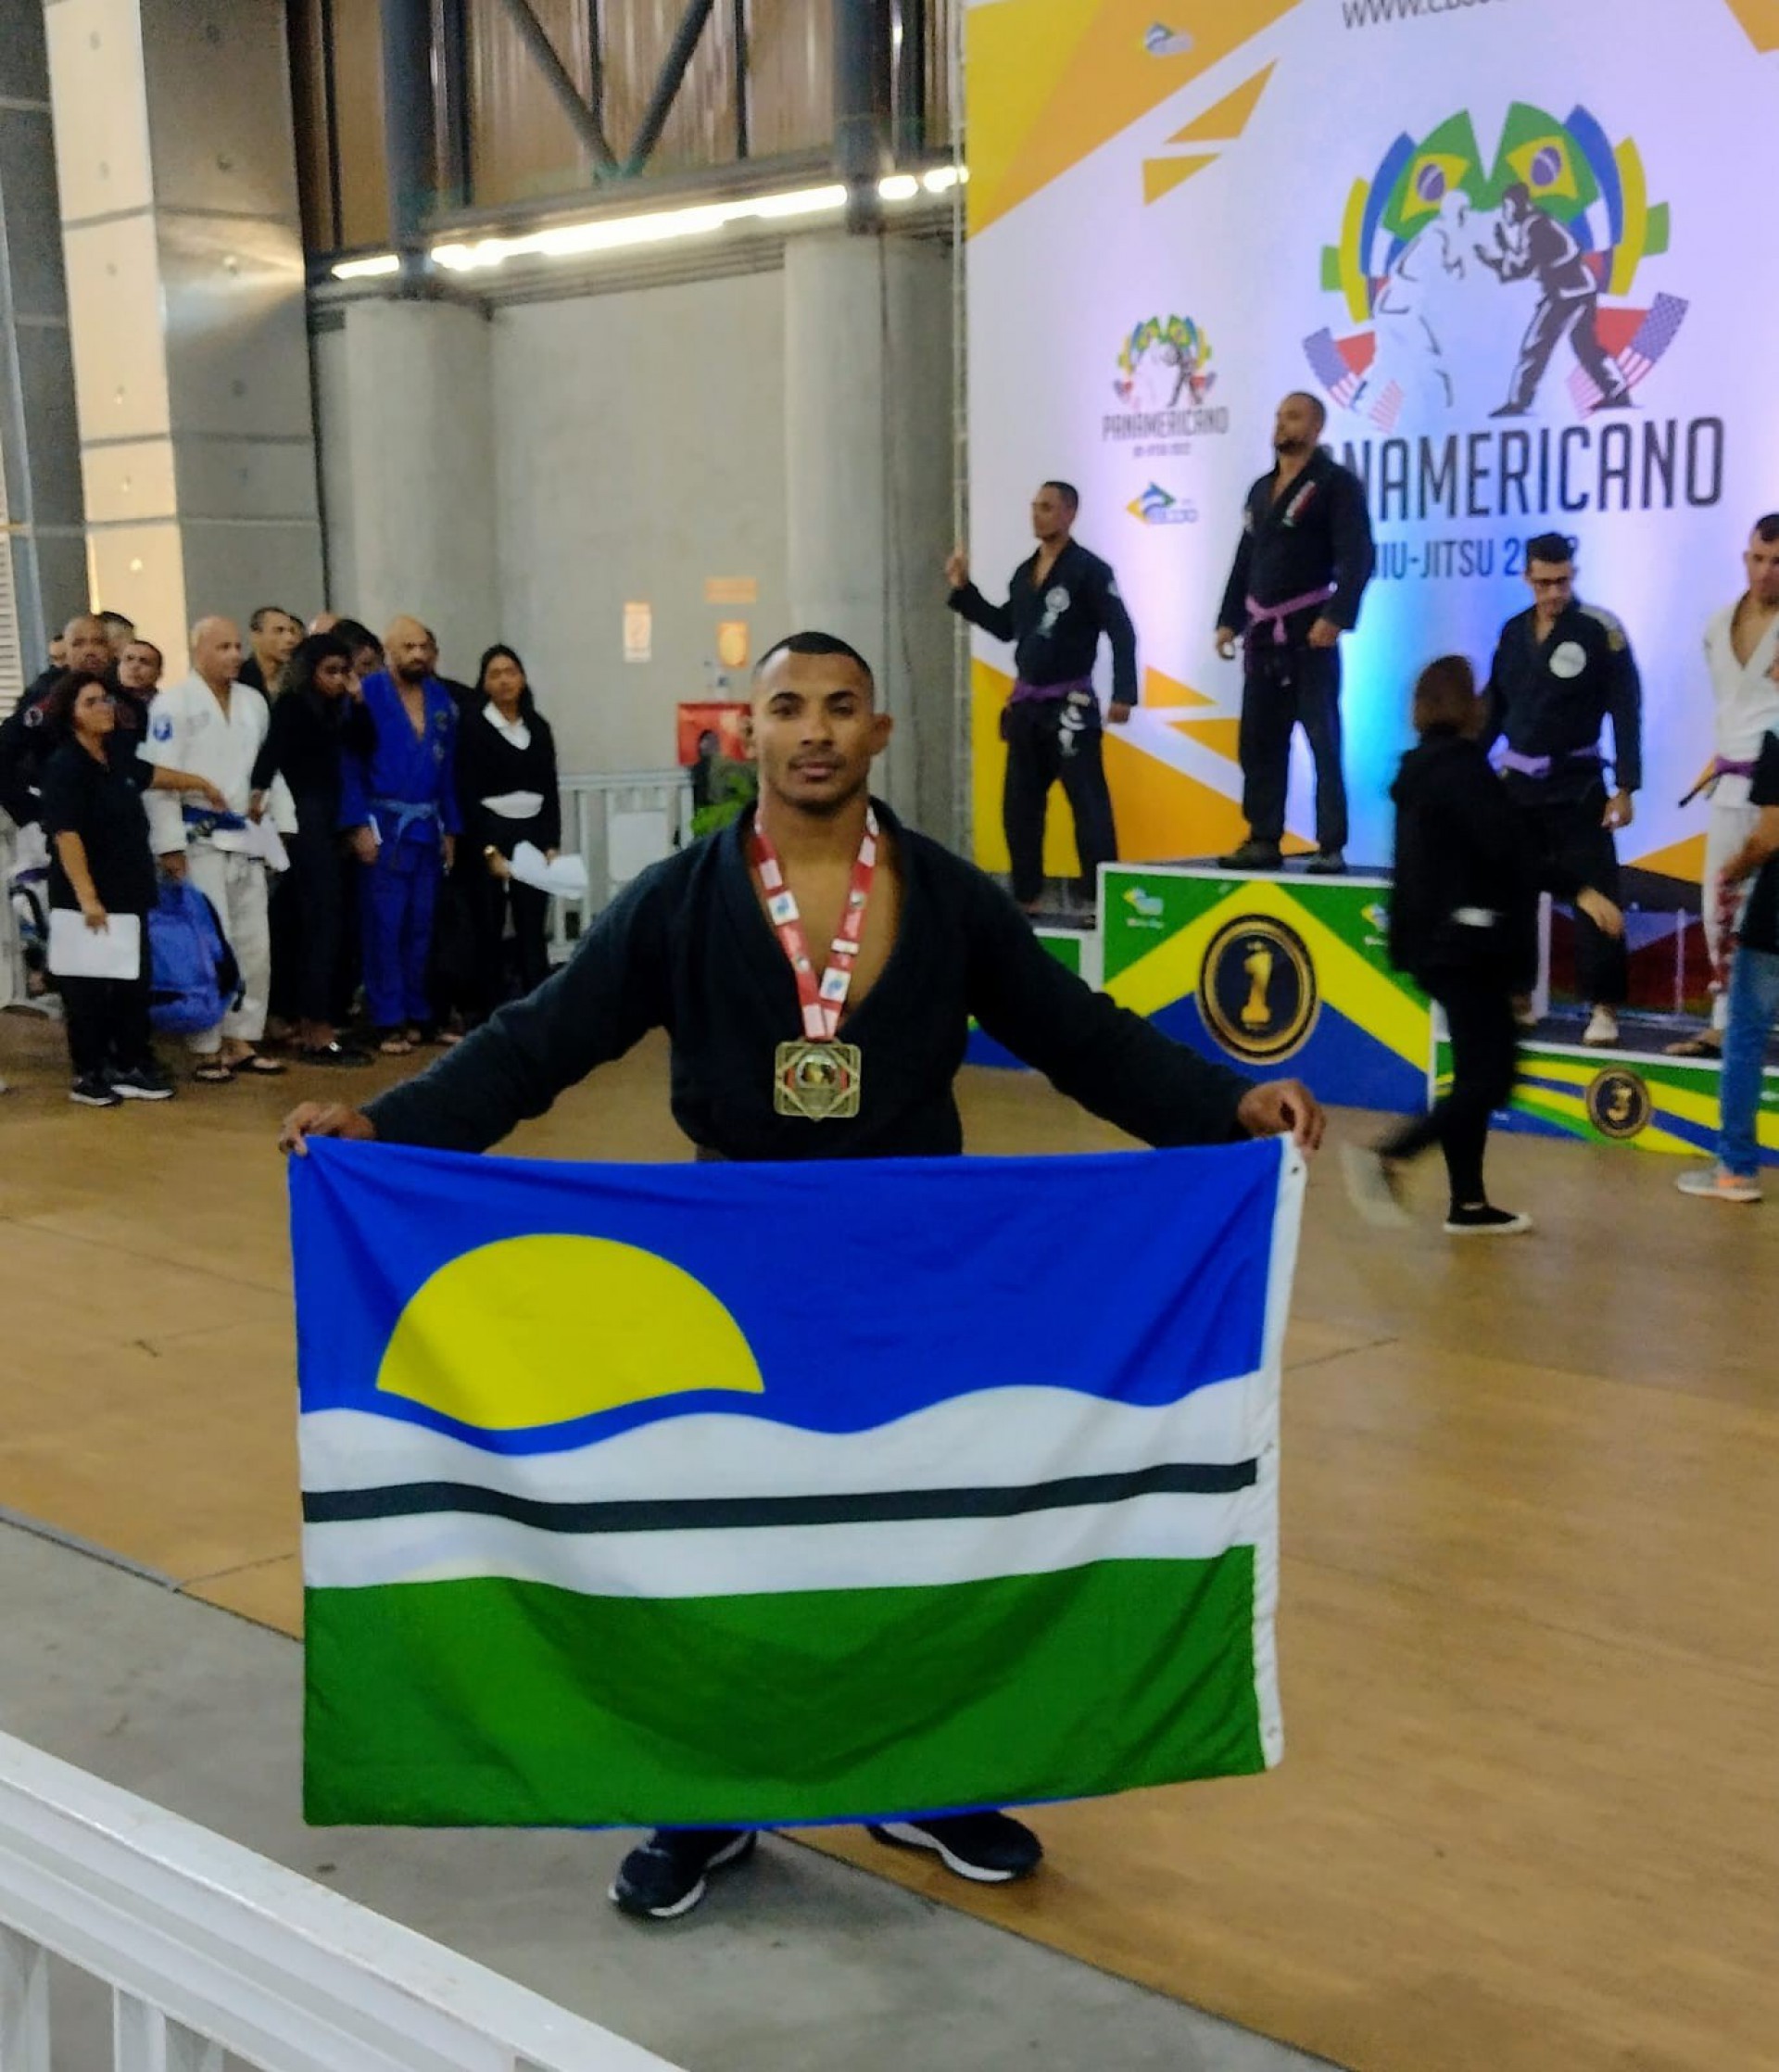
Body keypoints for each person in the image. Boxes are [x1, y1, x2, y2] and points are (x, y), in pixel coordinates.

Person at [280, 627, 1325, 1923]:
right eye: (789, 707)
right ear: (749, 734)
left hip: (919, 1277)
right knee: (732, 1556)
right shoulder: (676, 899)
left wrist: (1229, 1112)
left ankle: (929, 1775)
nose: (817, 729)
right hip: (738, 1285)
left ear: (880, 735)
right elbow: (533, 1044)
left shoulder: (946, 896)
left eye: (842, 707)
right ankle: (711, 1799)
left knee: (922, 1544)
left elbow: (1084, 1040)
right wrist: (387, 1128)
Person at [1344, 658, 1616, 1236]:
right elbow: (1512, 857)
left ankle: (1467, 1202)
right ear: (1468, 707)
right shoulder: (1464, 774)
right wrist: (1582, 890)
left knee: (1473, 1074)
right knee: (1492, 1080)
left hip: (1437, 946)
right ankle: (1390, 1154)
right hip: (1468, 946)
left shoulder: (1422, 772)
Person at [945, 481, 1136, 914]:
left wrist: (1124, 693)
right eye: (1034, 507)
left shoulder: (1091, 571)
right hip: (1028, 709)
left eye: (1047, 507)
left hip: (1072, 707)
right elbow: (1005, 627)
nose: (1037, 514)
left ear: (1070, 513)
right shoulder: (1023, 573)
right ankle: (1026, 897)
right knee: (1019, 809)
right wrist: (963, 590)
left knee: (1089, 806)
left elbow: (1122, 631)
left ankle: (1100, 899)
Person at [37, 671, 226, 1105]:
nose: (104, 708)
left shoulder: (115, 756)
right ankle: (89, 1073)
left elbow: (153, 774)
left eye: (106, 700)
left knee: (131, 985)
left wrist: (202, 783)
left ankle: (130, 1063)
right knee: (87, 990)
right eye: (91, 703)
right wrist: (87, 896)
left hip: (129, 891)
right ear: (70, 715)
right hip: (87, 898)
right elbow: (67, 835)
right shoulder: (65, 767)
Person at [1483, 534, 1641, 1047]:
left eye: (1563, 581)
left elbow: (1625, 707)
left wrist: (1627, 787)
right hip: (1519, 786)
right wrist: (1463, 763)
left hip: (1579, 784)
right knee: (1513, 892)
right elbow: (1496, 707)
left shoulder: (1600, 631)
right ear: (1528, 578)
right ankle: (1518, 996)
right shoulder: (1512, 634)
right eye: (1544, 582)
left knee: (1595, 892)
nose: (1554, 592)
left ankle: (1602, 1007)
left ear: (1574, 575)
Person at [1214, 393, 1375, 874]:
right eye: (1280, 414)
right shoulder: (1261, 490)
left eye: (1295, 416)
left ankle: (1330, 844)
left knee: (1322, 738)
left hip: (1310, 632)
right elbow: (1246, 560)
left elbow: (1359, 556)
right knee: (1258, 740)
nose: (1283, 423)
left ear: (1318, 426)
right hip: (1263, 634)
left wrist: (1337, 614)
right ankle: (1263, 836)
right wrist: (1228, 618)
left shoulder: (1335, 485)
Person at [141, 616, 288, 1082]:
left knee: (253, 943)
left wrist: (278, 828)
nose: (233, 655)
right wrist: (168, 844)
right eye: (222, 646)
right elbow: (155, 780)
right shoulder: (172, 704)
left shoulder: (252, 703)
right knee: (208, 944)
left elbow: (268, 772)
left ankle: (242, 1037)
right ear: (197, 650)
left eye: (237, 646)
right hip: (196, 837)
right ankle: (205, 1045)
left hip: (245, 835)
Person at [1667, 515, 1779, 1058]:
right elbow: (1728, 709)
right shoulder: (1717, 624)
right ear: (1744, 559)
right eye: (1758, 559)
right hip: (1730, 783)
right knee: (1719, 903)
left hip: (1776, 788)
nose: (1766, 572)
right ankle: (1722, 1023)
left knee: (1768, 910)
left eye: (1777, 563)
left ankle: (1756, 1023)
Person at [340, 615, 461, 1055]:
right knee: (383, 927)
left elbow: (447, 773)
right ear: (388, 651)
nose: (418, 655)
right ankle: (387, 1017)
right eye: (408, 647)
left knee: (420, 927)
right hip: (383, 826)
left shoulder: (442, 700)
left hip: (427, 828)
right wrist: (356, 824)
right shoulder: (366, 696)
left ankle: (417, 1011)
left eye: (424, 647)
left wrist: (453, 828)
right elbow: (350, 766)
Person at [250, 633, 372, 1067]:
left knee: (325, 922)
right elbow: (272, 755)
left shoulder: (340, 708)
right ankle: (314, 1028)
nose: (340, 680)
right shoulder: (293, 706)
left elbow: (365, 746)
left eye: (346, 671)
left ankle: (313, 1018)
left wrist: (357, 702)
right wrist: (258, 794)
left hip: (331, 817)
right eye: (331, 672)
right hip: (304, 820)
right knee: (320, 922)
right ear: (311, 671)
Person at [1676, 725, 1779, 1203]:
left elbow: (1769, 836)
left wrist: (1732, 872)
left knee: (1744, 1035)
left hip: (1773, 919)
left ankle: (1736, 1168)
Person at [455, 644, 561, 1016]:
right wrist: (488, 851)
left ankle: (538, 1008)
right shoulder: (472, 726)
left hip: (533, 830)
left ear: (523, 678)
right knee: (489, 924)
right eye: (495, 674)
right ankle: (489, 1012)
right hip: (490, 831)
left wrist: (551, 843)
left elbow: (550, 789)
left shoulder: (538, 726)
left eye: (510, 672)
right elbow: (466, 792)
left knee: (532, 925)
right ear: (484, 683)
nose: (504, 681)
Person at [1476, 184, 1632, 419]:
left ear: (1519, 204)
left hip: (1567, 293)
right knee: (1584, 346)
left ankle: (1519, 402)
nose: (1505, 213)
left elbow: (1522, 267)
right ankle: (1617, 391)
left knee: (1536, 345)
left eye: (1507, 207)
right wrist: (1504, 248)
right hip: (1576, 290)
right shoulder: (1537, 224)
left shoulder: (1536, 226)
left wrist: (1491, 259)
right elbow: (1528, 261)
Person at [0, 615, 116, 831]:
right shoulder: (46, 698)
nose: (89, 651)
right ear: (66, 652)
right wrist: (32, 812)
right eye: (79, 644)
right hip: (62, 817)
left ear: (110, 649)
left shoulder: (122, 695)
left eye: (98, 642)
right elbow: (6, 751)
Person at [238, 606, 302, 699]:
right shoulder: (239, 680)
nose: (290, 639)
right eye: (279, 631)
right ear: (256, 636)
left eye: (291, 631)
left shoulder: (297, 682)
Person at [111, 638, 164, 739]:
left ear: (159, 673)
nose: (135, 666)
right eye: (129, 659)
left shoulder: (165, 708)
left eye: (144, 662)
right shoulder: (105, 702)